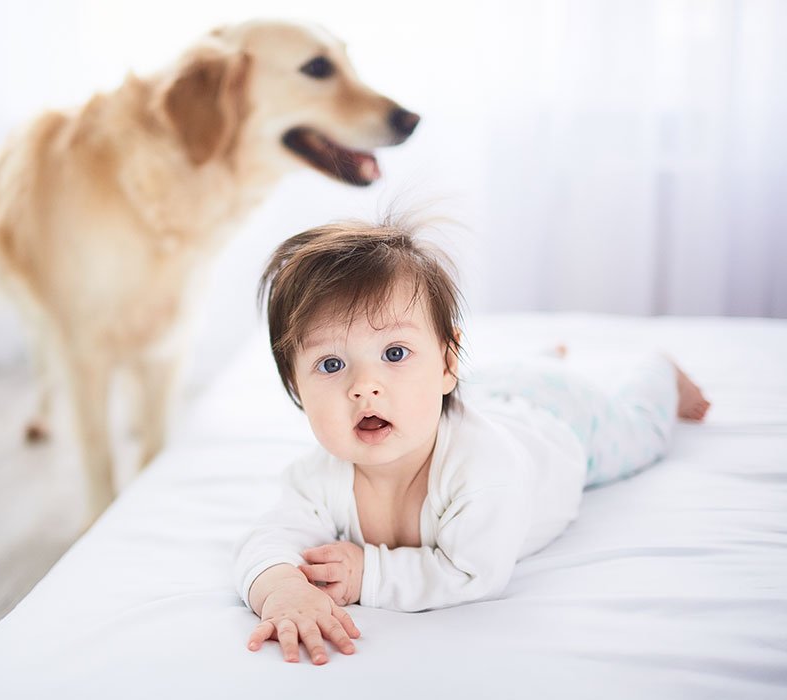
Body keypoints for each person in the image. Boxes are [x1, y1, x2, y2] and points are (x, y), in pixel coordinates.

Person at [234, 216, 711, 665]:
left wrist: (369, 575)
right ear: (296, 387)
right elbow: (270, 538)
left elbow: (473, 574)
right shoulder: (318, 476)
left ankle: (660, 373)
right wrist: (280, 587)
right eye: (331, 365)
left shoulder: (485, 471)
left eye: (394, 353)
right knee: (488, 385)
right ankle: (541, 358)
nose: (364, 386)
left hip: (558, 417)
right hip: (486, 391)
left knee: (639, 436)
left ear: (446, 364)